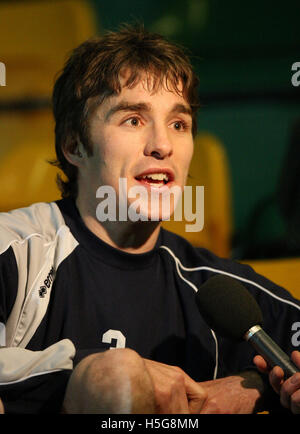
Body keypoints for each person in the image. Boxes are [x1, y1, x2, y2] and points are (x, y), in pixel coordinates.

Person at [0, 24, 299, 414]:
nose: (162, 145)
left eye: (179, 124)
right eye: (133, 120)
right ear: (74, 144)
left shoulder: (221, 293)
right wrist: (105, 373)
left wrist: (257, 386)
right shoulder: (15, 250)